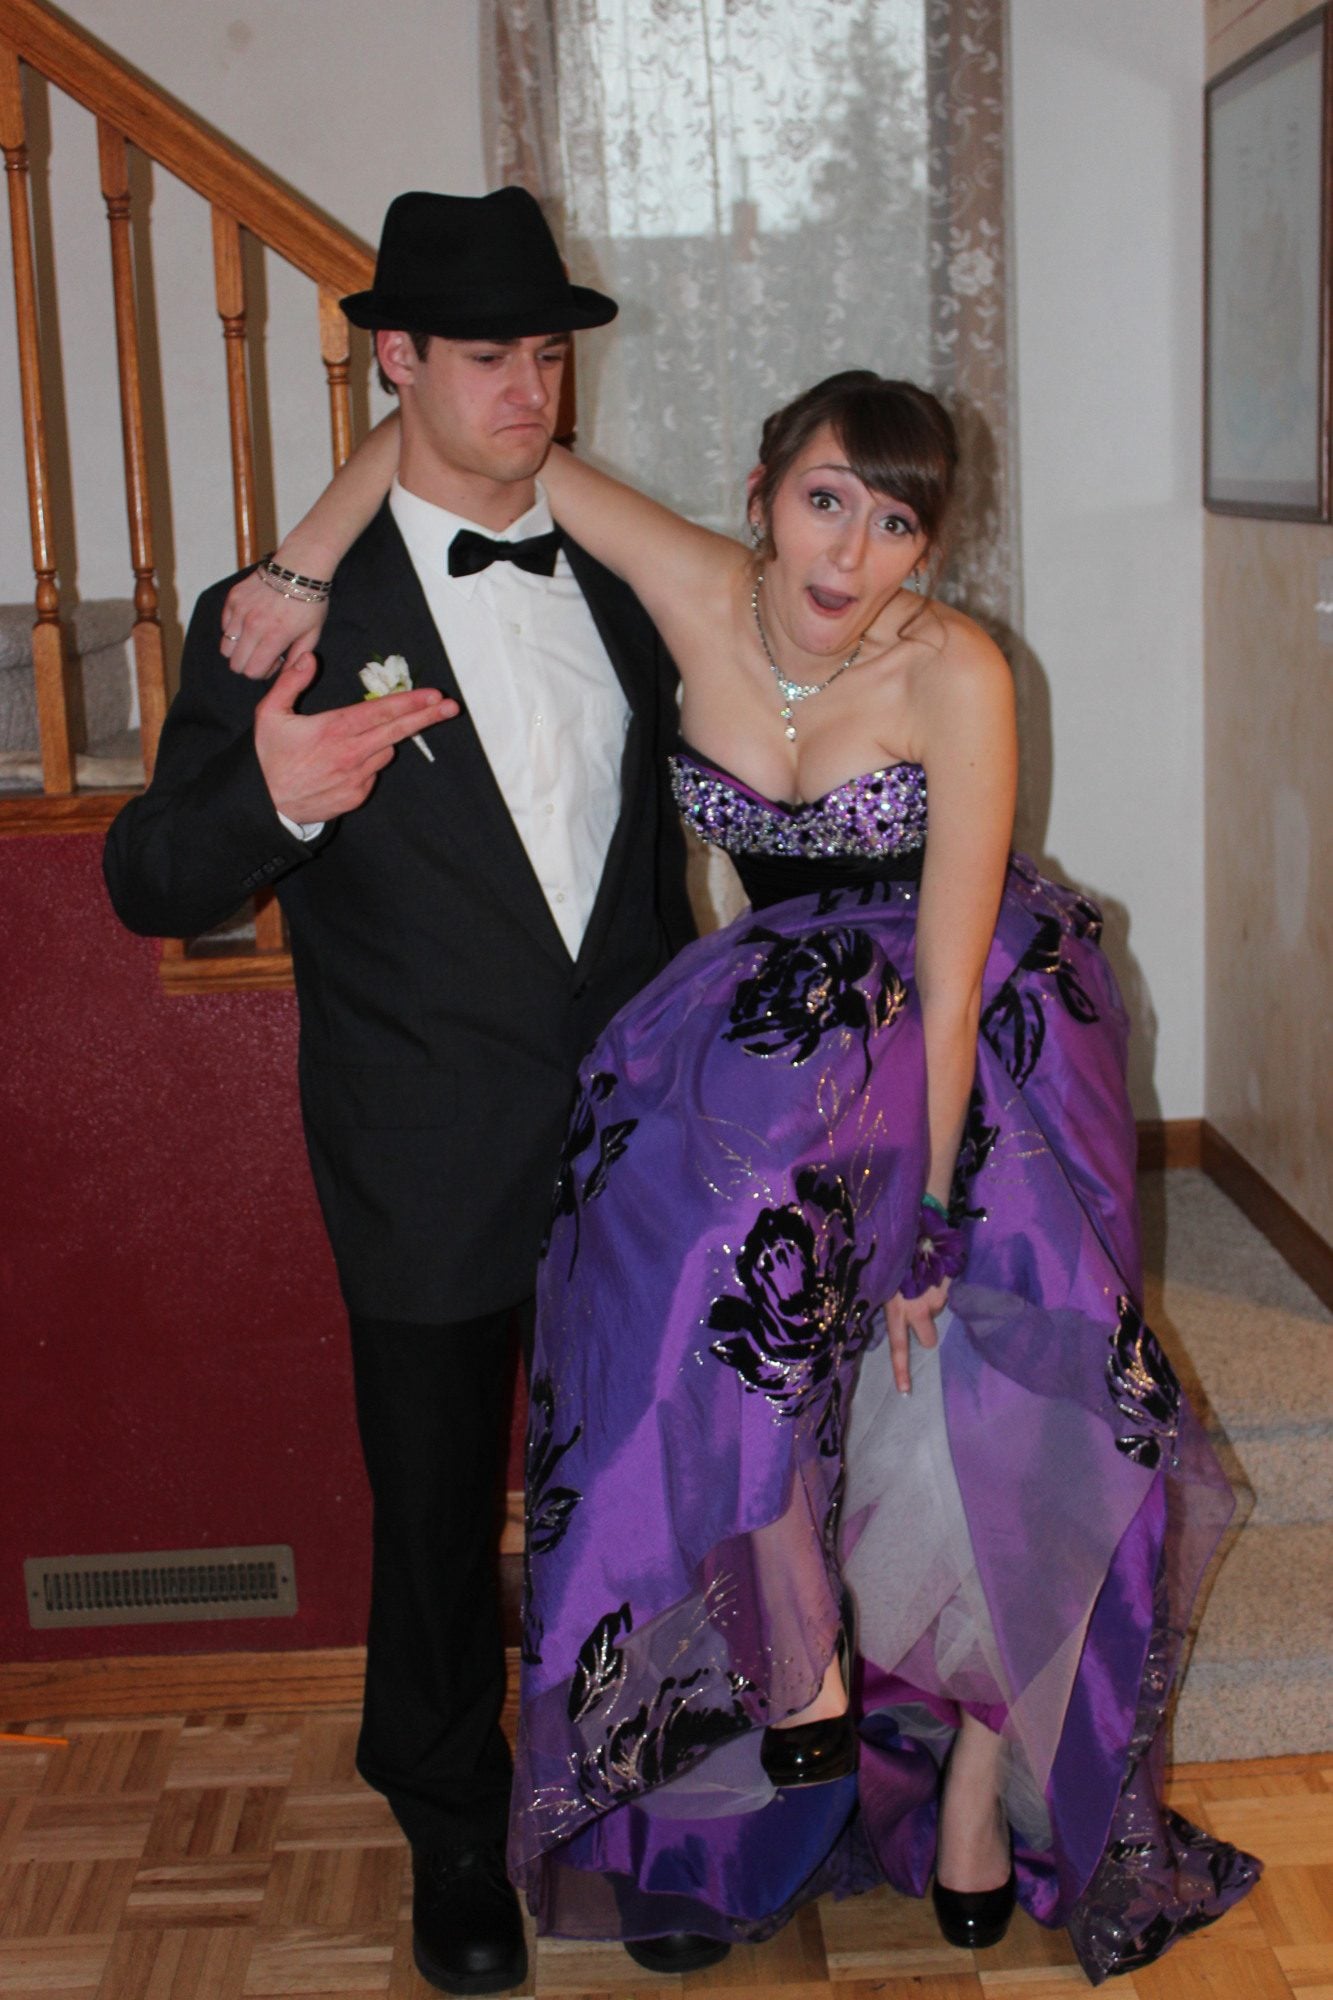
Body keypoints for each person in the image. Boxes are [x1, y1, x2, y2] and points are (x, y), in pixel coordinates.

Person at [230, 366, 1262, 1986]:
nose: (851, 552)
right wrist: (299, 562)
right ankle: (774, 1668)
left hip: (965, 1029)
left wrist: (929, 1224)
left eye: (896, 523)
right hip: (776, 1017)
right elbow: (449, 423)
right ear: (764, 490)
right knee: (676, 1278)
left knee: (1000, 1389)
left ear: (929, 546)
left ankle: (978, 1776)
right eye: (825, 501)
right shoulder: (693, 584)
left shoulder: (954, 668)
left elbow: (946, 977)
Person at [103, 186, 693, 1999]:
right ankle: (448, 1825)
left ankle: (646, 1802)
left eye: (547, 357)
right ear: (398, 364)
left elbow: (658, 867)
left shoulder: (624, 583)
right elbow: (149, 877)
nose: (529, 391)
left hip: (635, 1135)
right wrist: (271, 797)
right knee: (436, 1518)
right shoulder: (283, 614)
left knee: (645, 1493)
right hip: (423, 1146)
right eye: (487, 356)